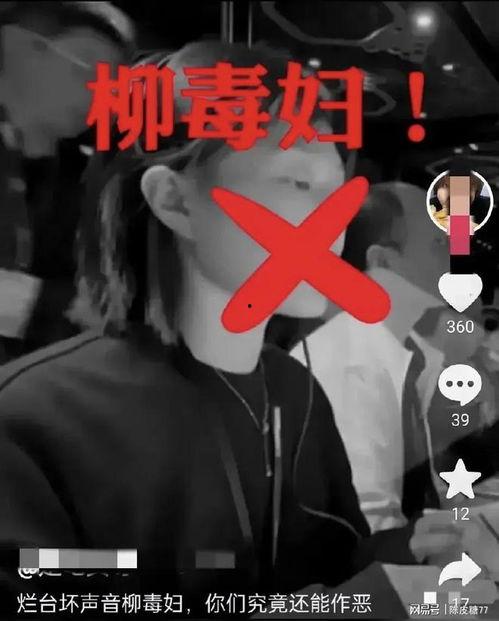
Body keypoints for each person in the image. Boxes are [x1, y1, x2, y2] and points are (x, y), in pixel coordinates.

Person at [0, 41, 372, 616]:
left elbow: (340, 568)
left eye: (337, 189)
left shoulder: (296, 393)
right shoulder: (38, 419)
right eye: (297, 185)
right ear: (174, 200)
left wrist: (418, 556)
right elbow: (53, 596)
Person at [291, 182, 482, 564]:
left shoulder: (403, 348)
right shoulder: (350, 361)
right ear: (383, 262)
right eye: (439, 244)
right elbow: (371, 531)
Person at [0, 1, 135, 363]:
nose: (99, 94)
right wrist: (60, 307)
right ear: (18, 47)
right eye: (87, 67)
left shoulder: (82, 179)